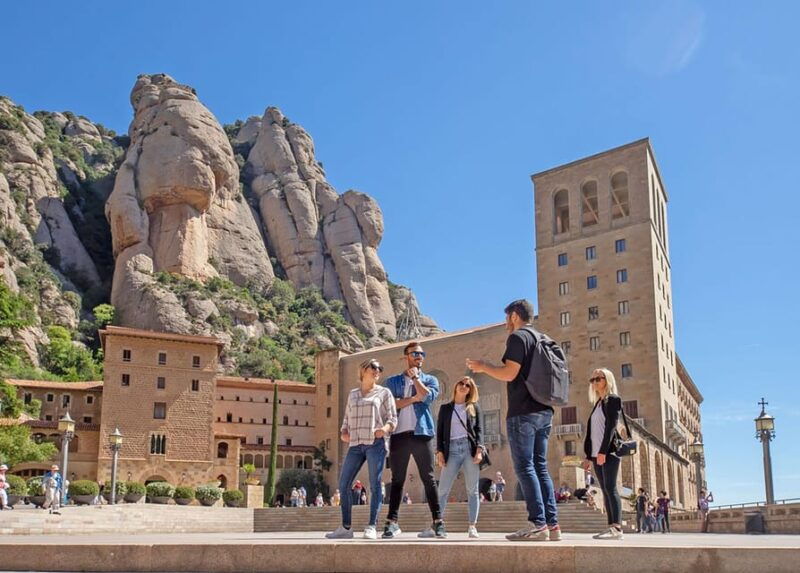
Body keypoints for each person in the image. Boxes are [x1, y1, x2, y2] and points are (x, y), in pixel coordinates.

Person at [467, 299, 560, 542]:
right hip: (545, 411)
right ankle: (553, 525)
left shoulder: (519, 337)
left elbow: (509, 373)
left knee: (525, 467)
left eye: (507, 317)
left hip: (523, 412)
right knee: (540, 467)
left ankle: (538, 524)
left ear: (515, 316)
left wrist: (484, 367)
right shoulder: (542, 338)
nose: (506, 322)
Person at [326, 358, 397, 540]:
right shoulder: (353, 394)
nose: (377, 370)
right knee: (344, 484)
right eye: (373, 367)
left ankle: (372, 526)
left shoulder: (384, 392)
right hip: (355, 445)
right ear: (363, 370)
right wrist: (343, 432)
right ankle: (346, 527)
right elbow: (346, 419)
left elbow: (392, 419)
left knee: (375, 484)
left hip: (375, 443)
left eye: (379, 368)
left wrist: (384, 429)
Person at [383, 342, 446, 539]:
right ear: (406, 356)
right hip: (399, 434)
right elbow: (391, 405)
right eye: (415, 353)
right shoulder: (392, 381)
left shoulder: (430, 379)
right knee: (397, 479)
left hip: (422, 433)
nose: (419, 356)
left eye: (422, 353)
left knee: (428, 478)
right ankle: (392, 522)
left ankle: (438, 521)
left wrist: (416, 379)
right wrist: (413, 398)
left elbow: (427, 397)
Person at [436, 376, 485, 539]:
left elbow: (480, 430)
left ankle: (472, 526)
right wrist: (439, 452)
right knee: (442, 489)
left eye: (468, 385)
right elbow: (440, 432)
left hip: (469, 450)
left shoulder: (474, 407)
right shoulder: (445, 408)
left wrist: (479, 450)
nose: (464, 386)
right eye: (461, 383)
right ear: (456, 386)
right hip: (451, 450)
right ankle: (437, 524)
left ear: (470, 390)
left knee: (473, 490)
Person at [581, 368, 624, 540]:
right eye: (592, 380)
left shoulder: (613, 400)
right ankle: (610, 527)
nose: (595, 382)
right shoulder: (597, 404)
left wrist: (603, 451)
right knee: (605, 490)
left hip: (608, 452)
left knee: (611, 488)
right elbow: (592, 432)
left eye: (598, 378)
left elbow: (611, 427)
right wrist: (588, 455)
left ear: (607, 380)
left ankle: (617, 528)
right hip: (595, 453)